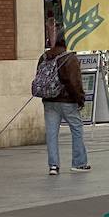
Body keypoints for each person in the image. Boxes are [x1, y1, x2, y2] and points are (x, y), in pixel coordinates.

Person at [35, 34, 88, 176]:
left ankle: (53, 166)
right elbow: (74, 82)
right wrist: (80, 99)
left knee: (51, 133)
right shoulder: (69, 58)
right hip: (67, 101)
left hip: (49, 101)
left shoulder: (44, 57)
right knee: (76, 129)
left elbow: (40, 77)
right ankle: (79, 163)